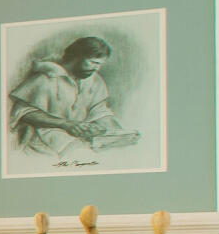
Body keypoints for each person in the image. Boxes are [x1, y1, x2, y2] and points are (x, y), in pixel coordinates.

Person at [8, 35, 136, 167]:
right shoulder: (44, 79)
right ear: (77, 57)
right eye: (93, 62)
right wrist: (65, 124)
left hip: (83, 140)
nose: (97, 68)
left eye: (99, 64)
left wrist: (119, 134)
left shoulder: (95, 80)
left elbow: (99, 110)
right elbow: (24, 113)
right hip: (43, 145)